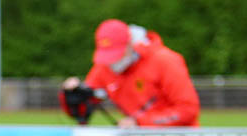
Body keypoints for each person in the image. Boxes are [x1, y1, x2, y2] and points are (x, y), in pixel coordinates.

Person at [60, 19, 200, 128]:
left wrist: (141, 123)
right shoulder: (104, 67)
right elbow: (85, 107)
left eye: (116, 54)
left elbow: (188, 109)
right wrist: (71, 95)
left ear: (130, 44)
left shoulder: (165, 61)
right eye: (108, 56)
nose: (112, 62)